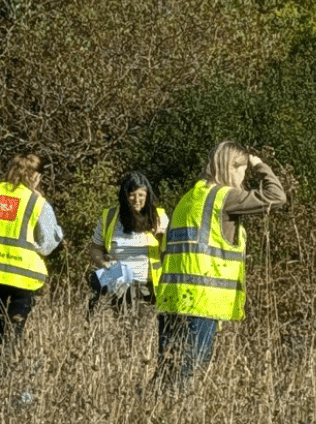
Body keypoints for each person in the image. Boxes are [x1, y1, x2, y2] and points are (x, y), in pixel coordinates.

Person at [155, 141, 286, 386]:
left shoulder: (189, 198)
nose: (243, 177)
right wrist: (260, 166)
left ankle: (149, 418)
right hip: (202, 301)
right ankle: (177, 423)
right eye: (242, 170)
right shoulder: (225, 197)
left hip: (172, 298)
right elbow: (276, 198)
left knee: (166, 372)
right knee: (189, 375)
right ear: (231, 167)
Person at [0, 154, 64, 367]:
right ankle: (5, 377)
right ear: (35, 177)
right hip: (21, 280)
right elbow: (49, 242)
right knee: (12, 335)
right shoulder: (37, 202)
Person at [88, 172, 168, 313]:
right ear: (124, 196)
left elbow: (172, 250)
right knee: (94, 280)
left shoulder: (159, 217)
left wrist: (161, 236)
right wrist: (104, 264)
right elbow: (95, 248)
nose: (136, 200)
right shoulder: (109, 216)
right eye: (132, 195)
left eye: (141, 195)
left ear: (148, 196)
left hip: (149, 285)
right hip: (117, 279)